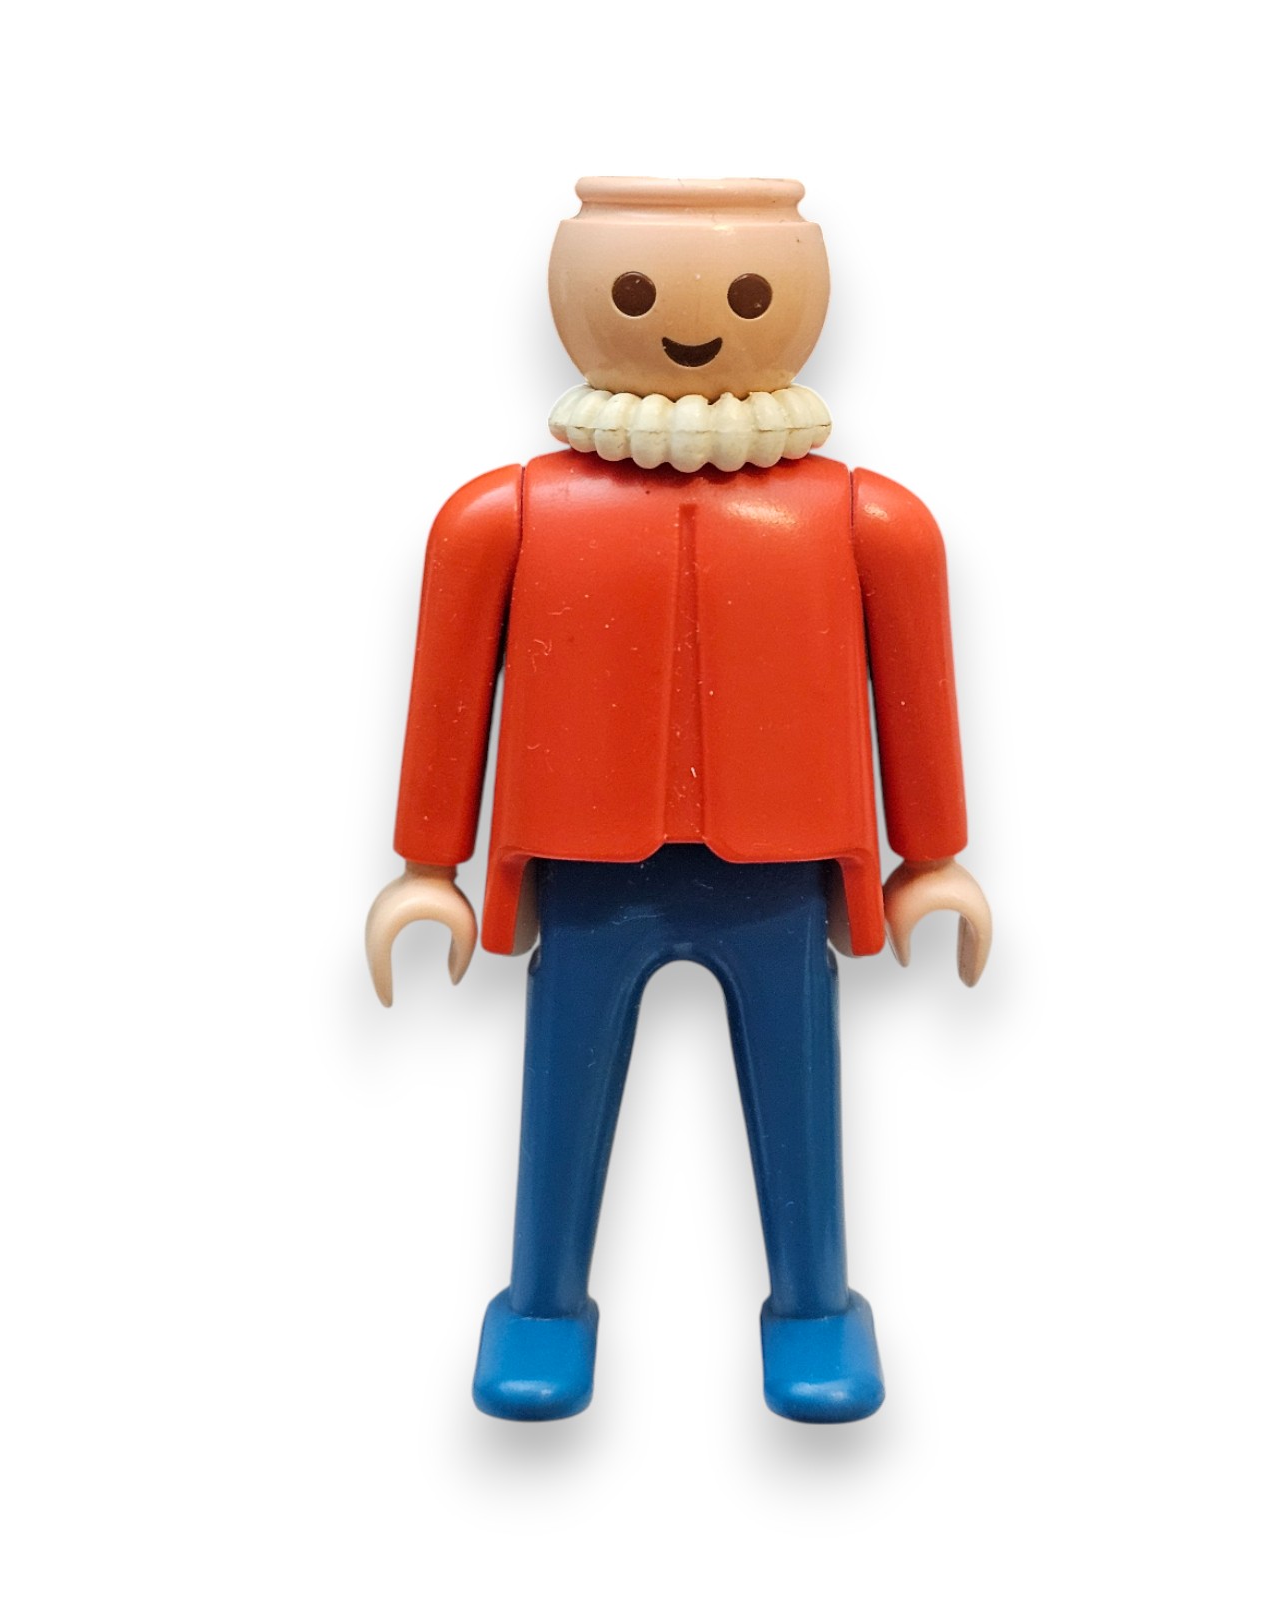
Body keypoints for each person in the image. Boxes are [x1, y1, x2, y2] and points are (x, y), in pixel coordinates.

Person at [366, 177, 992, 1422]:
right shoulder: (505, 516)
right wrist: (426, 865)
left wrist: (931, 857)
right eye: (637, 290)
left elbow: (916, 687)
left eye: (750, 294)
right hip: (588, 870)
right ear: (579, 292)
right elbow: (449, 689)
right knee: (561, 1099)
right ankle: (542, 1304)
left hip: (780, 870)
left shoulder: (867, 520)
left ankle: (813, 1306)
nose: (694, 321)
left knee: (801, 1102)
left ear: (799, 296)